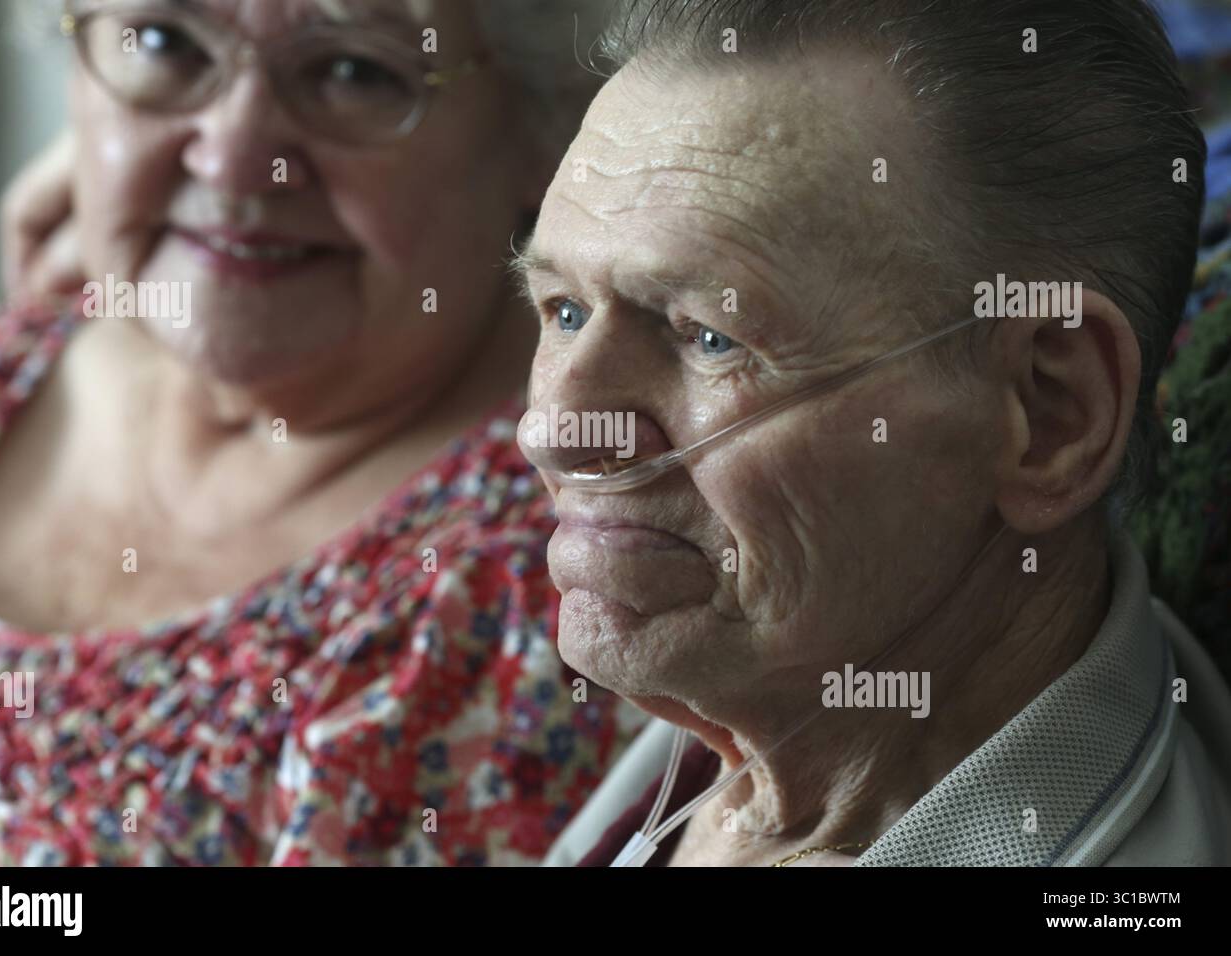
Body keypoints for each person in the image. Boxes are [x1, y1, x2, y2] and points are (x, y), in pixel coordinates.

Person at [515, 0, 1231, 866]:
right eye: (563, 310)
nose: (550, 431)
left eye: (711, 336)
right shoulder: (768, 697)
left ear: (1052, 417)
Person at [0, 0, 645, 866]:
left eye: (354, 72)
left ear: (550, 127)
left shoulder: (544, 593)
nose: (232, 159)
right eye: (165, 41)